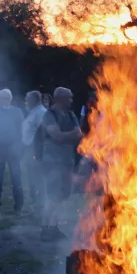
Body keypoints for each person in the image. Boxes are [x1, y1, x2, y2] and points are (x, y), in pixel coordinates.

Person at [39, 88, 83, 241]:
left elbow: (79, 134)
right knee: (52, 196)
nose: (71, 101)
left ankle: (54, 227)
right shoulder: (49, 115)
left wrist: (64, 136)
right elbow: (56, 136)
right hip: (52, 162)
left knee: (62, 196)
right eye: (68, 98)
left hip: (66, 161)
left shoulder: (71, 115)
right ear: (59, 99)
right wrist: (68, 136)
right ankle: (45, 229)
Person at [0, 89, 26, 215]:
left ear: (10, 98)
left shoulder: (17, 112)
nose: (4, 99)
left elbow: (22, 129)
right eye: (2, 97)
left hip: (13, 148)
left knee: (16, 177)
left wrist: (19, 144)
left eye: (6, 97)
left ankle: (19, 206)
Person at [22, 90, 47, 212]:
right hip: (29, 148)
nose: (26, 101)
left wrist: (37, 152)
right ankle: (36, 203)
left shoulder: (41, 112)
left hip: (35, 149)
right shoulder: (32, 111)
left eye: (28, 98)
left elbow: (42, 133)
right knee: (31, 176)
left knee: (37, 177)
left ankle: (40, 204)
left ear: (35, 100)